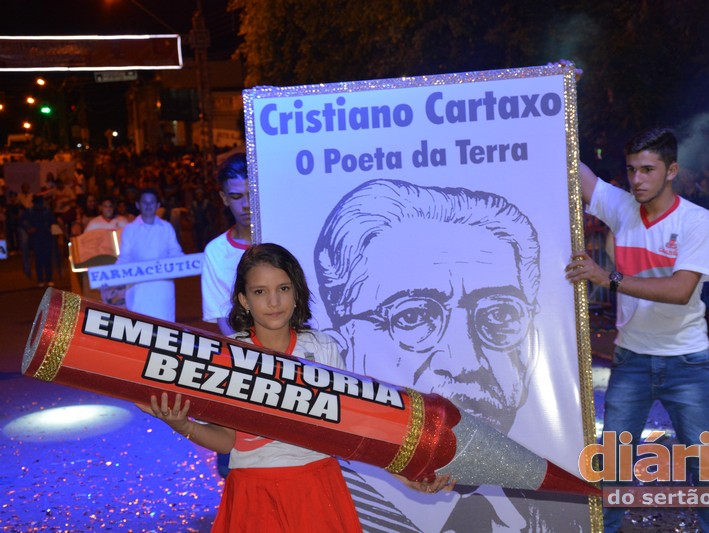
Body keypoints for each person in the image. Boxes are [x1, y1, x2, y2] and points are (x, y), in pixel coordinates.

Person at [315, 179, 586, 532]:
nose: (465, 363)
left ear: (531, 346)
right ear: (342, 349)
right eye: (412, 316)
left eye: (500, 313)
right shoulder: (320, 509)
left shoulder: (562, 515)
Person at [139, 243, 453, 532]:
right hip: (254, 494)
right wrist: (181, 424)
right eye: (260, 292)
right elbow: (226, 442)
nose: (274, 301)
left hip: (317, 489)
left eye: (283, 288)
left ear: (297, 293)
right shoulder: (227, 355)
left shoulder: (322, 348)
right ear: (244, 300)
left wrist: (403, 472)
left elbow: (352, 431)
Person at [566, 128, 709, 532]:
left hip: (686, 363)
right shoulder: (623, 207)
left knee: (704, 474)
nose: (636, 179)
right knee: (613, 469)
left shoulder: (696, 220)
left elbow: (680, 290)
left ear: (671, 170)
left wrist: (609, 278)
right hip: (632, 361)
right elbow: (574, 168)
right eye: (631, 170)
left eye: (647, 169)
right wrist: (551, 107)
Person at [202, 153, 251, 336]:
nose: (246, 204)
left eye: (251, 194)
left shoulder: (283, 239)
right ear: (224, 198)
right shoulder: (215, 252)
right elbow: (224, 320)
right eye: (237, 196)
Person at [116, 188, 184, 321]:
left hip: (162, 289)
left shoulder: (166, 228)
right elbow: (124, 257)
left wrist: (186, 263)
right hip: (138, 291)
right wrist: (111, 274)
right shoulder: (130, 229)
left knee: (164, 327)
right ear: (138, 205)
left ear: (158, 205)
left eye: (152, 202)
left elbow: (176, 253)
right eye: (144, 202)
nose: (148, 206)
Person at [23, 195, 56, 287]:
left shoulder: (47, 212)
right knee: (39, 259)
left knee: (47, 258)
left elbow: (53, 222)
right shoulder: (30, 212)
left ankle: (48, 278)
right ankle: (41, 279)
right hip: (36, 237)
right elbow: (22, 221)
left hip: (46, 236)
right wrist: (28, 228)